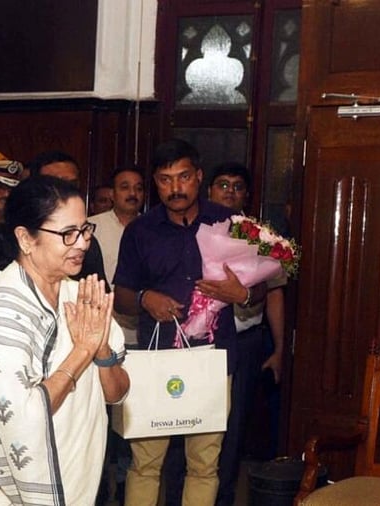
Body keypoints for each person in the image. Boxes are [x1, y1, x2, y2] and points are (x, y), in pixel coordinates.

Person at [0, 175, 130, 504]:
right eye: (67, 234)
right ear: (25, 239)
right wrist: (82, 352)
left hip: (76, 468)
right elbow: (24, 417)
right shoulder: (0, 310)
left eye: (85, 230)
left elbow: (118, 394)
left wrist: (101, 351)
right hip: (1, 486)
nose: (83, 243)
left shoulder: (84, 298)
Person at [113, 139, 262, 506]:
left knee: (204, 465)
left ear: (198, 177)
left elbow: (260, 292)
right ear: (155, 183)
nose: (175, 188)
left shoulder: (230, 224)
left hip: (214, 359)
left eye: (183, 177)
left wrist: (238, 294)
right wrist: (147, 299)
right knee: (145, 465)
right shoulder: (140, 231)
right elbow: (121, 296)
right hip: (156, 360)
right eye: (165, 180)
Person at [207, 162, 286, 506]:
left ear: (247, 195)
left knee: (234, 428)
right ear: (208, 189)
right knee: (193, 426)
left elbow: (275, 293)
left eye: (238, 186)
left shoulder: (259, 237)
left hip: (245, 342)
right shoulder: (194, 227)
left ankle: (223, 498)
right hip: (200, 343)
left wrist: (280, 348)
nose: (230, 191)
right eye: (222, 184)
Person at [27, 150, 110, 286]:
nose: (65, 192)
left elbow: (99, 295)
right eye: (57, 185)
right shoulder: (17, 238)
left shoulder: (86, 241)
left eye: (72, 185)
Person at [90, 166, 146, 346]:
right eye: (125, 187)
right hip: (103, 332)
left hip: (145, 332)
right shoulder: (92, 227)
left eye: (138, 188)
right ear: (112, 194)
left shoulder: (154, 229)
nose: (132, 193)